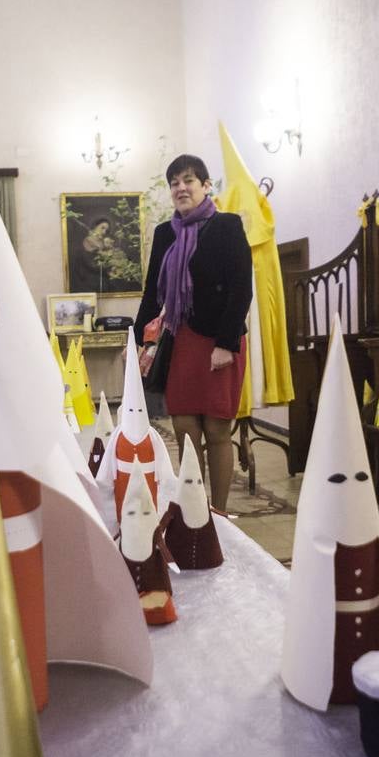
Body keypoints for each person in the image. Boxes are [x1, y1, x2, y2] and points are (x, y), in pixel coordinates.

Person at [134, 154, 252, 513]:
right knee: (185, 429)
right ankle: (194, 509)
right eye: (174, 183)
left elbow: (240, 289)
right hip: (181, 340)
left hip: (220, 341)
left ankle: (219, 513)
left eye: (188, 180)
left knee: (217, 431)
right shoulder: (164, 233)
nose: (180, 188)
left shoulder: (227, 226)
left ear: (205, 186)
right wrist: (137, 338)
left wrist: (225, 344)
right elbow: (153, 293)